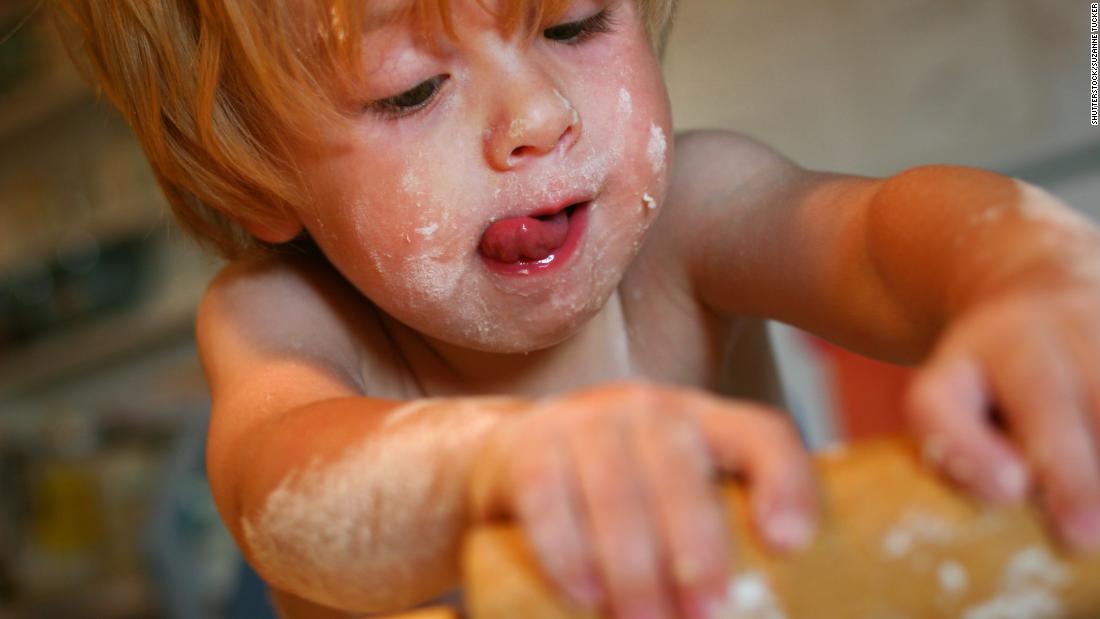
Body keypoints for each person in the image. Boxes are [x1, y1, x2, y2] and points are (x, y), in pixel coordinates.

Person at [56, 1, 1100, 617]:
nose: (536, 120)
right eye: (411, 91)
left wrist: (1026, 272)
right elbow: (285, 490)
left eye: (572, 22)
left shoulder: (688, 220)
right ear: (256, 176)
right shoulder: (280, 322)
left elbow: (876, 239)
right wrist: (500, 465)